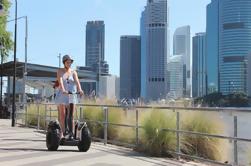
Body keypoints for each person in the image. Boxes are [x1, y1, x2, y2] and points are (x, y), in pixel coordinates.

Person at [55, 54, 84, 139]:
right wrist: (63, 89)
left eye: (70, 62)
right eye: (68, 62)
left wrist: (80, 89)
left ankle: (71, 133)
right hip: (63, 94)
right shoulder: (60, 71)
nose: (69, 63)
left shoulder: (73, 72)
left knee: (71, 115)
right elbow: (60, 80)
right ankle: (62, 133)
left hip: (72, 94)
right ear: (64, 62)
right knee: (63, 114)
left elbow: (77, 81)